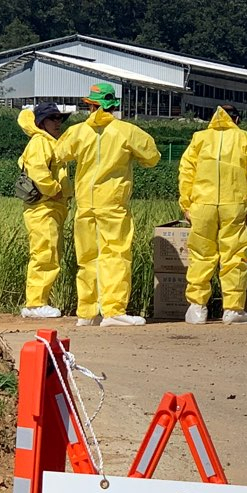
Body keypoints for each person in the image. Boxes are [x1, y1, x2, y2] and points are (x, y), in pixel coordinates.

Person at [56, 83, 160, 327]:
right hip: (113, 202)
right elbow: (152, 157)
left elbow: (60, 153)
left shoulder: (78, 131)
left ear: (91, 105)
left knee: (87, 257)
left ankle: (87, 312)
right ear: (114, 105)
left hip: (85, 204)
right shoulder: (127, 131)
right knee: (115, 254)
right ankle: (113, 310)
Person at [179, 104, 247, 325]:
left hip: (202, 204)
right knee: (234, 256)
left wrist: (186, 203)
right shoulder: (246, 139)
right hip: (234, 203)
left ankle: (197, 308)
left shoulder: (199, 138)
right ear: (237, 120)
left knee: (200, 255)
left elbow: (186, 170)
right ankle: (233, 309)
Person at [17, 102, 72, 319]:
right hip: (43, 206)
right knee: (44, 253)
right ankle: (35, 304)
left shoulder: (51, 142)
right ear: (41, 122)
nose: (58, 122)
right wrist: (55, 190)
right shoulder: (40, 142)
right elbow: (39, 172)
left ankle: (38, 302)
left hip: (51, 206)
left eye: (59, 118)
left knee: (50, 252)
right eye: (53, 118)